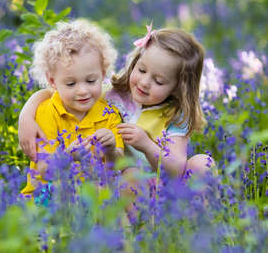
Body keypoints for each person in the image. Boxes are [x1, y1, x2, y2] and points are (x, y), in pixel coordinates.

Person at [18, 24, 215, 181]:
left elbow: (176, 169)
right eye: (142, 70)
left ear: (177, 87)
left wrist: (146, 144)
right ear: (134, 63)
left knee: (202, 163)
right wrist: (26, 116)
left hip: (164, 191)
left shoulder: (175, 116)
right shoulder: (111, 93)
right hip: (123, 187)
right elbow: (56, 92)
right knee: (128, 178)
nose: (145, 83)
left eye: (159, 81)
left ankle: (201, 224)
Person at [19, 19, 124, 196]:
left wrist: (111, 149)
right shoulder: (47, 113)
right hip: (48, 196)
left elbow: (118, 166)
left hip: (92, 194)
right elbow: (44, 170)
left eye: (91, 81)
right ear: (52, 81)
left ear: (103, 74)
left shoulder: (109, 113)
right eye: (70, 83)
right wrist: (67, 158)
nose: (82, 91)